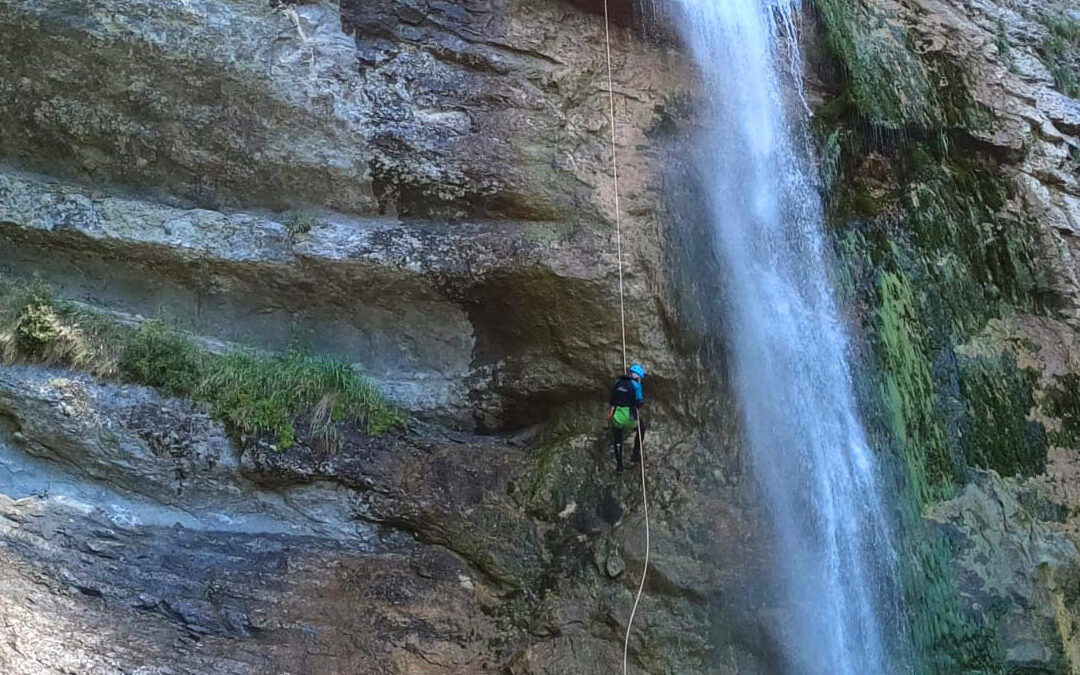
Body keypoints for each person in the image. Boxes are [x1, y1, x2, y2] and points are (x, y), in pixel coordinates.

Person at [608, 363, 646, 473]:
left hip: (617, 416)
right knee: (641, 429)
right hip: (629, 416)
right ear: (637, 376)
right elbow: (639, 401)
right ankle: (635, 453)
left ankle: (619, 466)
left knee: (617, 438)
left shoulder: (617, 383)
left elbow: (612, 400)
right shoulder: (636, 386)